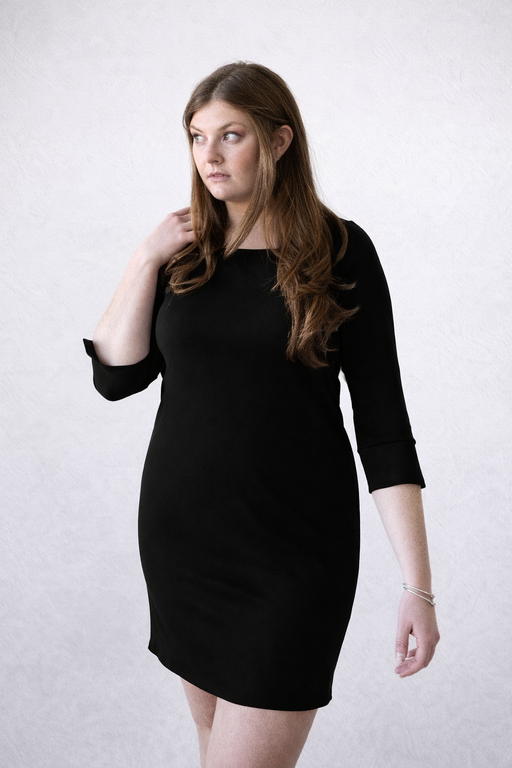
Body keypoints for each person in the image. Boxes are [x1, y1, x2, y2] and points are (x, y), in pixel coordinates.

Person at [84, 61, 440, 768]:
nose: (209, 155)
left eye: (231, 135)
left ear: (279, 140)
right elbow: (115, 377)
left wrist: (418, 587)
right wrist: (146, 256)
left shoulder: (341, 252)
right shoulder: (186, 256)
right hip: (185, 547)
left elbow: (384, 429)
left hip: (294, 558)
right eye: (197, 136)